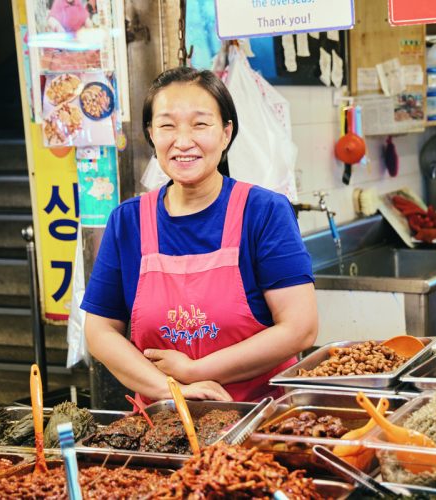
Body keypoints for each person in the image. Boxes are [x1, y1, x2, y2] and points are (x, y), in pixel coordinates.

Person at [82, 67, 318, 404]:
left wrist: (196, 370)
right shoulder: (127, 221)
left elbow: (300, 327)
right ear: (151, 134)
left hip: (257, 422)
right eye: (167, 126)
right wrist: (172, 390)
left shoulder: (264, 212)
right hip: (164, 427)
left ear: (226, 133)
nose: (183, 141)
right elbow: (100, 331)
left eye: (200, 124)